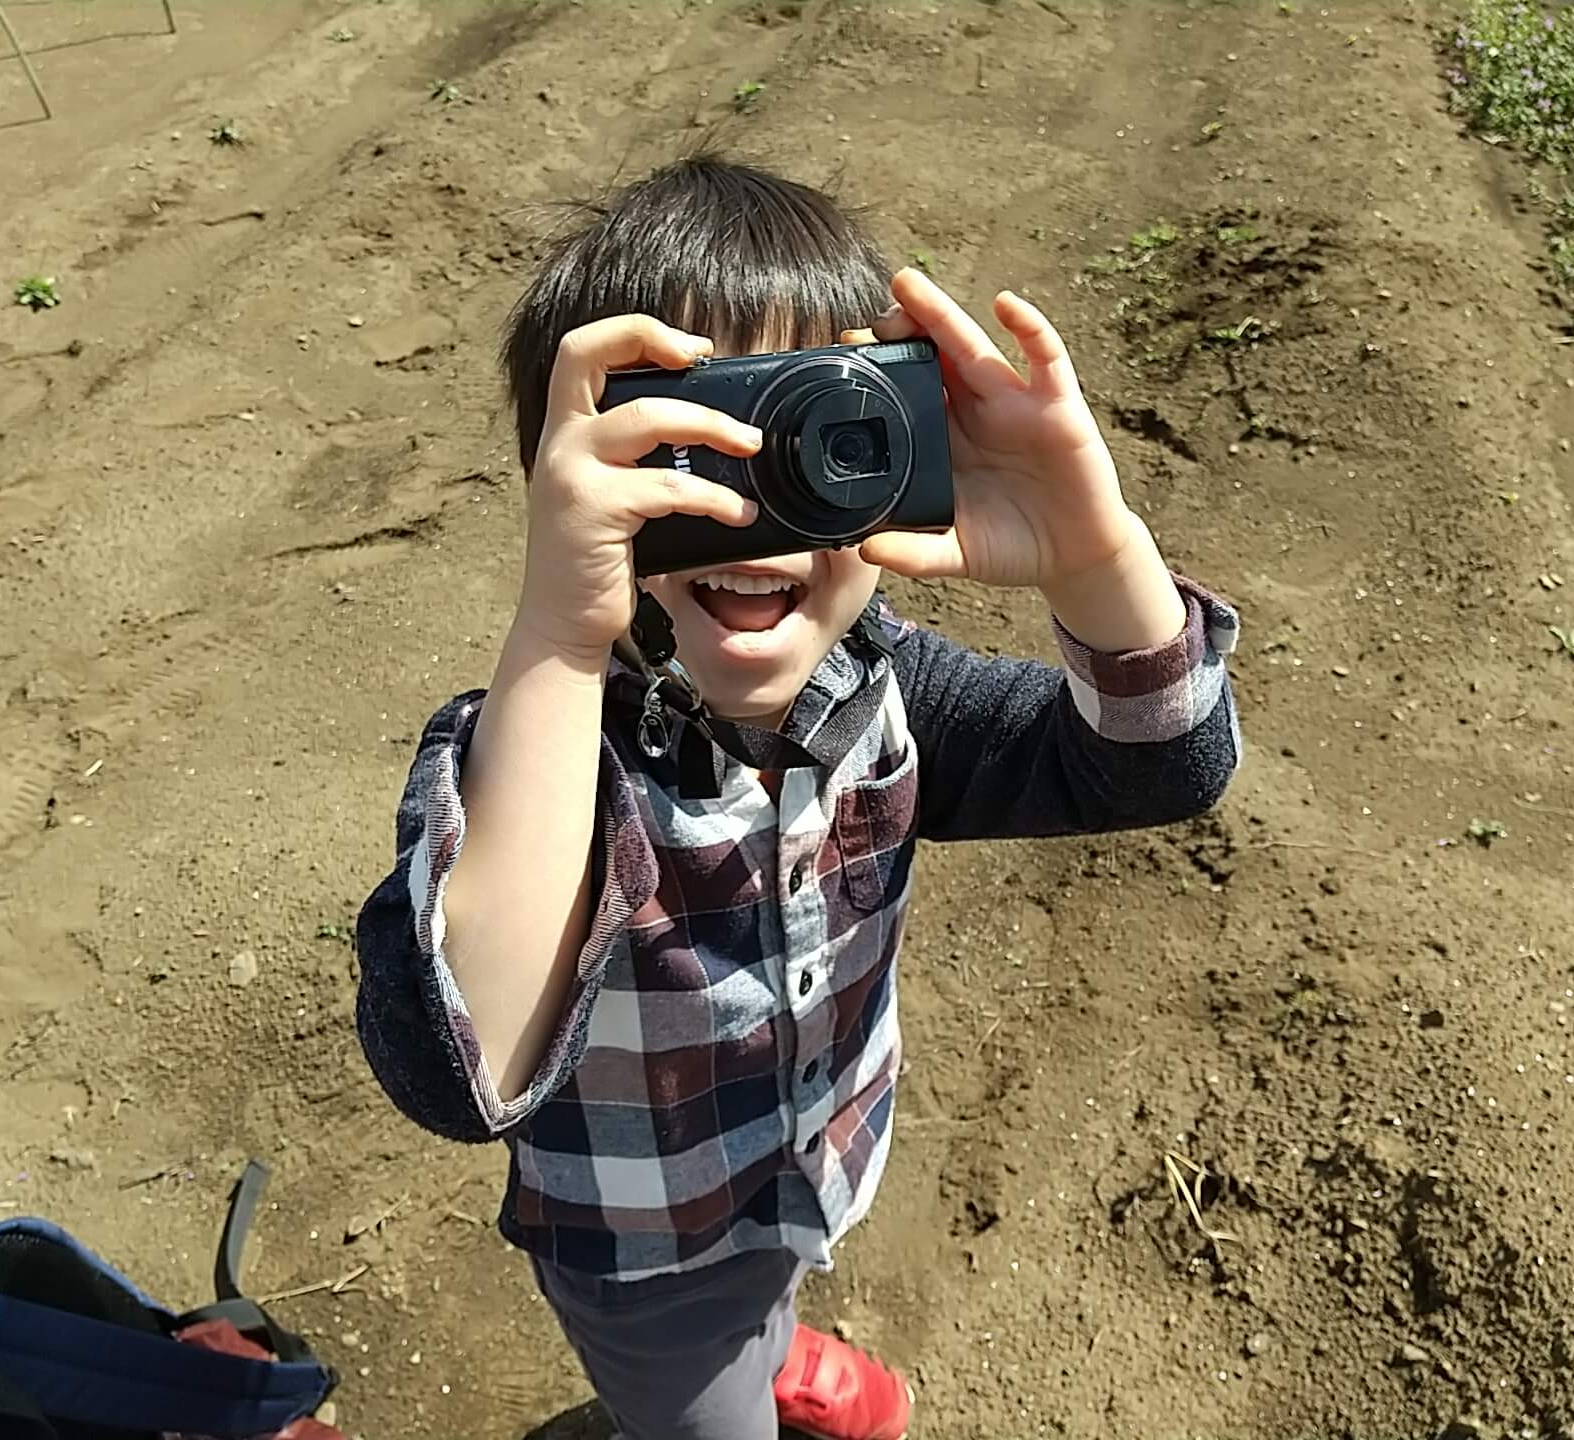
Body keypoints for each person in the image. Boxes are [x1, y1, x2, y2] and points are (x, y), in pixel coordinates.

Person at [354, 156, 1241, 1440]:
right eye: (687, 453)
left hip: (813, 1167)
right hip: (646, 1256)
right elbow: (460, 1069)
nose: (756, 525)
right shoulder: (545, 764)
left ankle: (770, 1347)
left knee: (771, 1289)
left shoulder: (882, 687)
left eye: (819, 442)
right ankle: (719, 1389)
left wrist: (1095, 549)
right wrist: (557, 630)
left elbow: (1161, 764)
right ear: (574, 497)